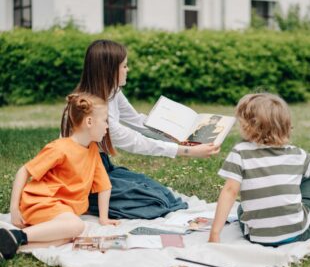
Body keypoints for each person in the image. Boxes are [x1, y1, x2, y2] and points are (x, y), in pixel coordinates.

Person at [73, 39, 221, 220]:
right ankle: (87, 203)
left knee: (165, 196)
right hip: (83, 175)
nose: (127, 70)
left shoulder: (112, 91)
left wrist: (179, 137)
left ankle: (100, 200)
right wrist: (186, 151)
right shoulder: (91, 107)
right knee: (156, 203)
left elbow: (138, 122)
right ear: (109, 70)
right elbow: (136, 142)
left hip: (102, 166)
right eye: (124, 66)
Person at [0, 93, 119, 260]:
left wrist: (104, 219)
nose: (107, 126)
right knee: (76, 226)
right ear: (89, 122)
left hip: (61, 210)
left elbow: (104, 185)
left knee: (68, 236)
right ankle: (18, 235)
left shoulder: (93, 151)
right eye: (105, 120)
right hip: (41, 202)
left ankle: (13, 246)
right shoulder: (60, 148)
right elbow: (24, 171)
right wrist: (14, 209)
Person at [209, 93, 310, 246]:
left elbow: (230, 191)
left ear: (247, 126)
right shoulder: (299, 155)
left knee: (241, 209)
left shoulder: (241, 152)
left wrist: (214, 234)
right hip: (297, 234)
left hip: (258, 237)